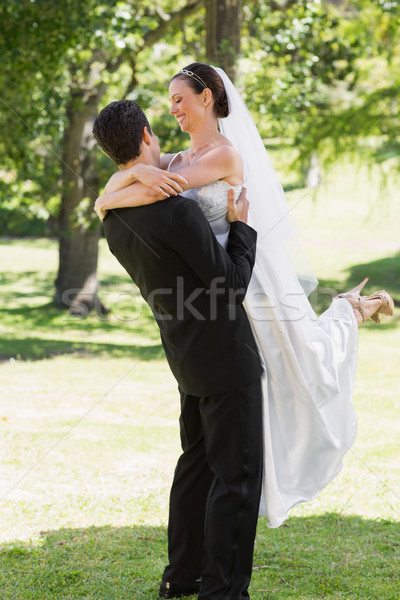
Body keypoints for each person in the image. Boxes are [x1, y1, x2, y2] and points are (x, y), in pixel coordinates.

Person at [94, 62, 394, 530]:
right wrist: (130, 182)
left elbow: (151, 195)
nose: (172, 108)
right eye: (169, 101)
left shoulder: (224, 156)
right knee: (259, 390)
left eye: (180, 98)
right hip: (215, 285)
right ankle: (357, 307)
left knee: (302, 363)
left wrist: (115, 193)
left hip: (247, 280)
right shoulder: (174, 160)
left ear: (207, 98)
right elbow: (140, 182)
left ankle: (355, 308)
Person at [92, 100, 265, 600]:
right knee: (237, 477)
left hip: (185, 358)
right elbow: (230, 283)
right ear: (147, 135)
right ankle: (222, 591)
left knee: (196, 466)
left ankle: (181, 576)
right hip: (226, 355)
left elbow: (109, 200)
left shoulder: (115, 220)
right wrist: (241, 227)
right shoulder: (177, 211)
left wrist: (116, 188)